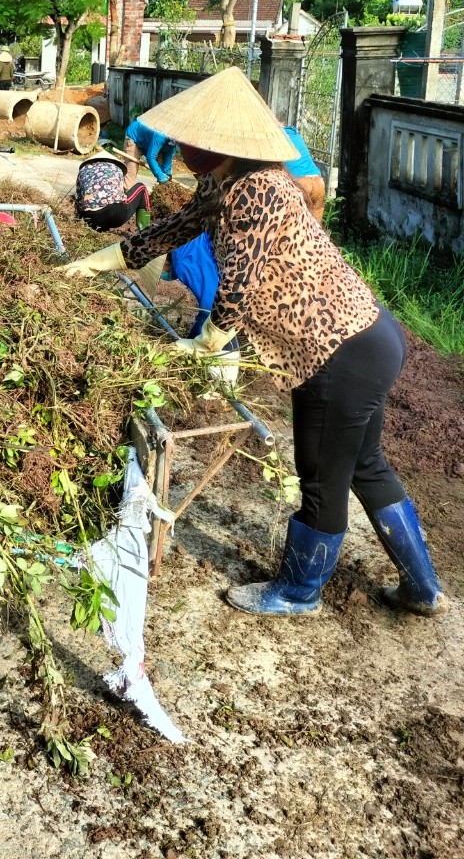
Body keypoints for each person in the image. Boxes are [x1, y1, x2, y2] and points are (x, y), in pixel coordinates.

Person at [61, 66, 446, 619]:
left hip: (336, 352)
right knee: (365, 464)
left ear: (221, 141)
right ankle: (423, 589)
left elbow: (238, 281)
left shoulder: (259, 188)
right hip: (365, 337)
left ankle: (298, 592)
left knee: (320, 479)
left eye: (193, 140)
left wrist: (210, 341)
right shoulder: (223, 182)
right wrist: (107, 259)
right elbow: (175, 229)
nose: (182, 147)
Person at [74, 149, 150, 232]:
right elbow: (120, 195)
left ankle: (101, 229)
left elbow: (78, 201)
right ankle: (145, 230)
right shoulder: (116, 169)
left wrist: (77, 222)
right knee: (141, 188)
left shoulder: (83, 171)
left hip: (89, 219)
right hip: (113, 215)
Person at [123, 117, 178, 185]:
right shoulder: (161, 134)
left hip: (149, 141)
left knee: (161, 170)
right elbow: (150, 157)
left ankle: (162, 190)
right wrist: (162, 178)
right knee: (131, 170)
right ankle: (126, 192)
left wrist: (167, 173)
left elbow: (168, 154)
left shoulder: (176, 138)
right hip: (134, 137)